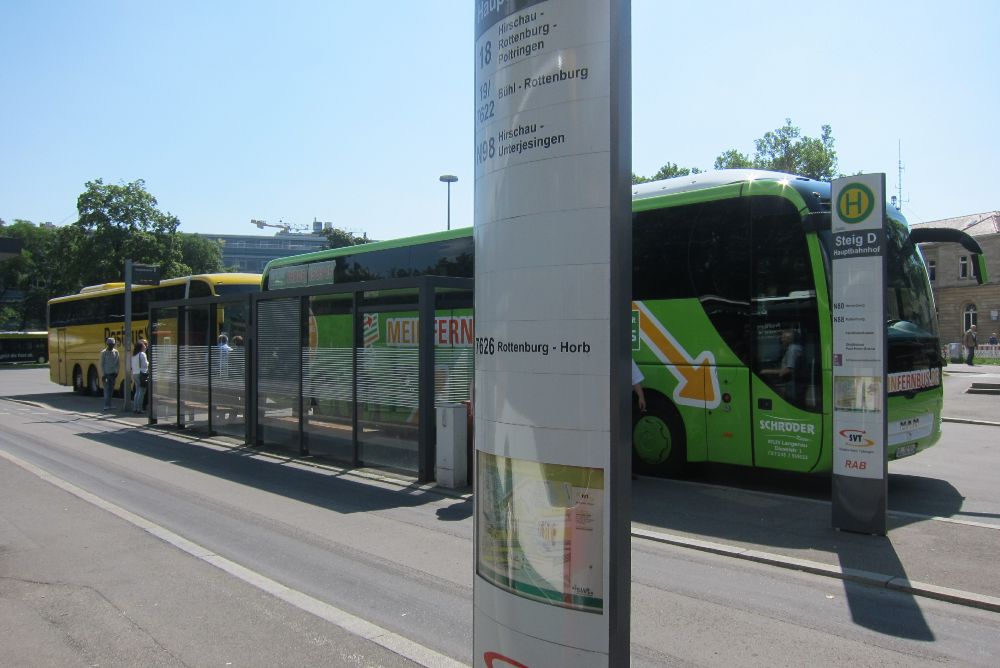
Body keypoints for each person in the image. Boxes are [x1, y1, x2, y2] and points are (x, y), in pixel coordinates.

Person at [761, 328, 804, 400]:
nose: (781, 340)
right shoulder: (796, 347)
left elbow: (789, 369)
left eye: (784, 338)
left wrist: (766, 372)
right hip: (795, 381)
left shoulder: (792, 349)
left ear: (790, 339)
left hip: (791, 382)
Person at [99, 337, 120, 411]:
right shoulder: (103, 352)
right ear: (107, 344)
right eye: (110, 344)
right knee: (107, 390)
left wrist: (117, 372)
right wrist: (103, 374)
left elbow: (118, 363)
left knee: (111, 390)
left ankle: (110, 405)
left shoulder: (116, 352)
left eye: (113, 344)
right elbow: (102, 364)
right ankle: (106, 405)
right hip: (106, 374)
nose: (112, 345)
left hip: (113, 373)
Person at [131, 339, 149, 414]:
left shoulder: (134, 355)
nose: (145, 347)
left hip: (135, 373)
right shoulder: (142, 354)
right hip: (142, 374)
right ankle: (139, 409)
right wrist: (148, 362)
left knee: (137, 391)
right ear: (141, 347)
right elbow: (145, 365)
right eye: (144, 346)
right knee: (141, 392)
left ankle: (135, 408)